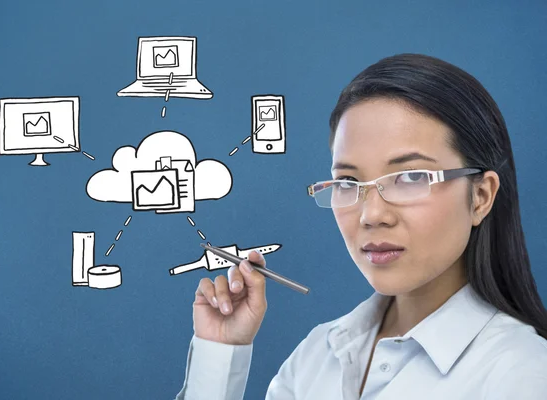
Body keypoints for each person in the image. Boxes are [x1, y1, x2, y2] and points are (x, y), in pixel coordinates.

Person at [174, 53, 547, 399]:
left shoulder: (523, 374)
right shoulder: (317, 356)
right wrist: (220, 353)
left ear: (481, 196)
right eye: (347, 183)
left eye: (411, 177)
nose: (372, 215)